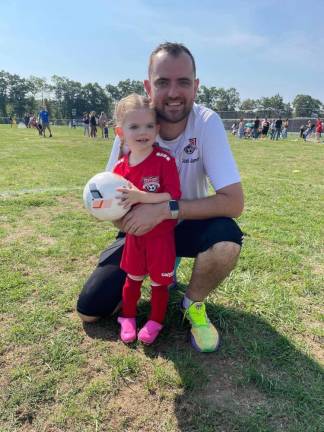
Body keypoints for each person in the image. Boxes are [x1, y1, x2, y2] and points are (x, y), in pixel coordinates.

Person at [77, 42, 244, 353]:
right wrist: (126, 219)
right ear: (147, 85)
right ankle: (151, 281)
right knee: (90, 309)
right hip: (139, 231)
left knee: (227, 241)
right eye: (163, 82)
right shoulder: (134, 125)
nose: (173, 92)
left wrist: (164, 211)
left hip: (186, 225)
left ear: (196, 86)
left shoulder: (207, 122)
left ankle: (192, 304)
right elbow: (110, 196)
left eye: (183, 82)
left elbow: (234, 202)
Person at [111, 94, 181, 344]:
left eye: (149, 126)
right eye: (134, 126)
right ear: (121, 132)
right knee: (133, 278)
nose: (143, 132)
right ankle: (127, 317)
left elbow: (172, 195)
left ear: (157, 129)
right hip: (134, 237)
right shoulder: (119, 168)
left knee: (160, 283)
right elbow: (114, 205)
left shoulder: (164, 160)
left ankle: (155, 321)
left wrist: (141, 196)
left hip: (161, 237)